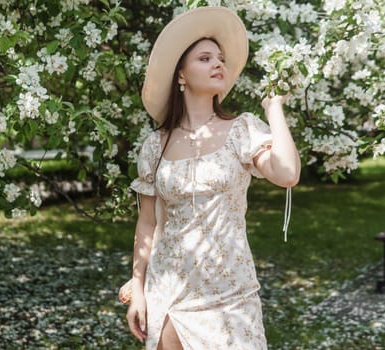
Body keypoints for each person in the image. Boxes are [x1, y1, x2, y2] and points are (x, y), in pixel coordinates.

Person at [126, 6, 300, 350]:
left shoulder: (242, 130)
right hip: (170, 290)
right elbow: (147, 224)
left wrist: (273, 108)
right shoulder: (154, 144)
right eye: (205, 58)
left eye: (220, 58)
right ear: (181, 75)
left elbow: (287, 173)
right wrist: (138, 288)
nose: (218, 64)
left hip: (229, 294)